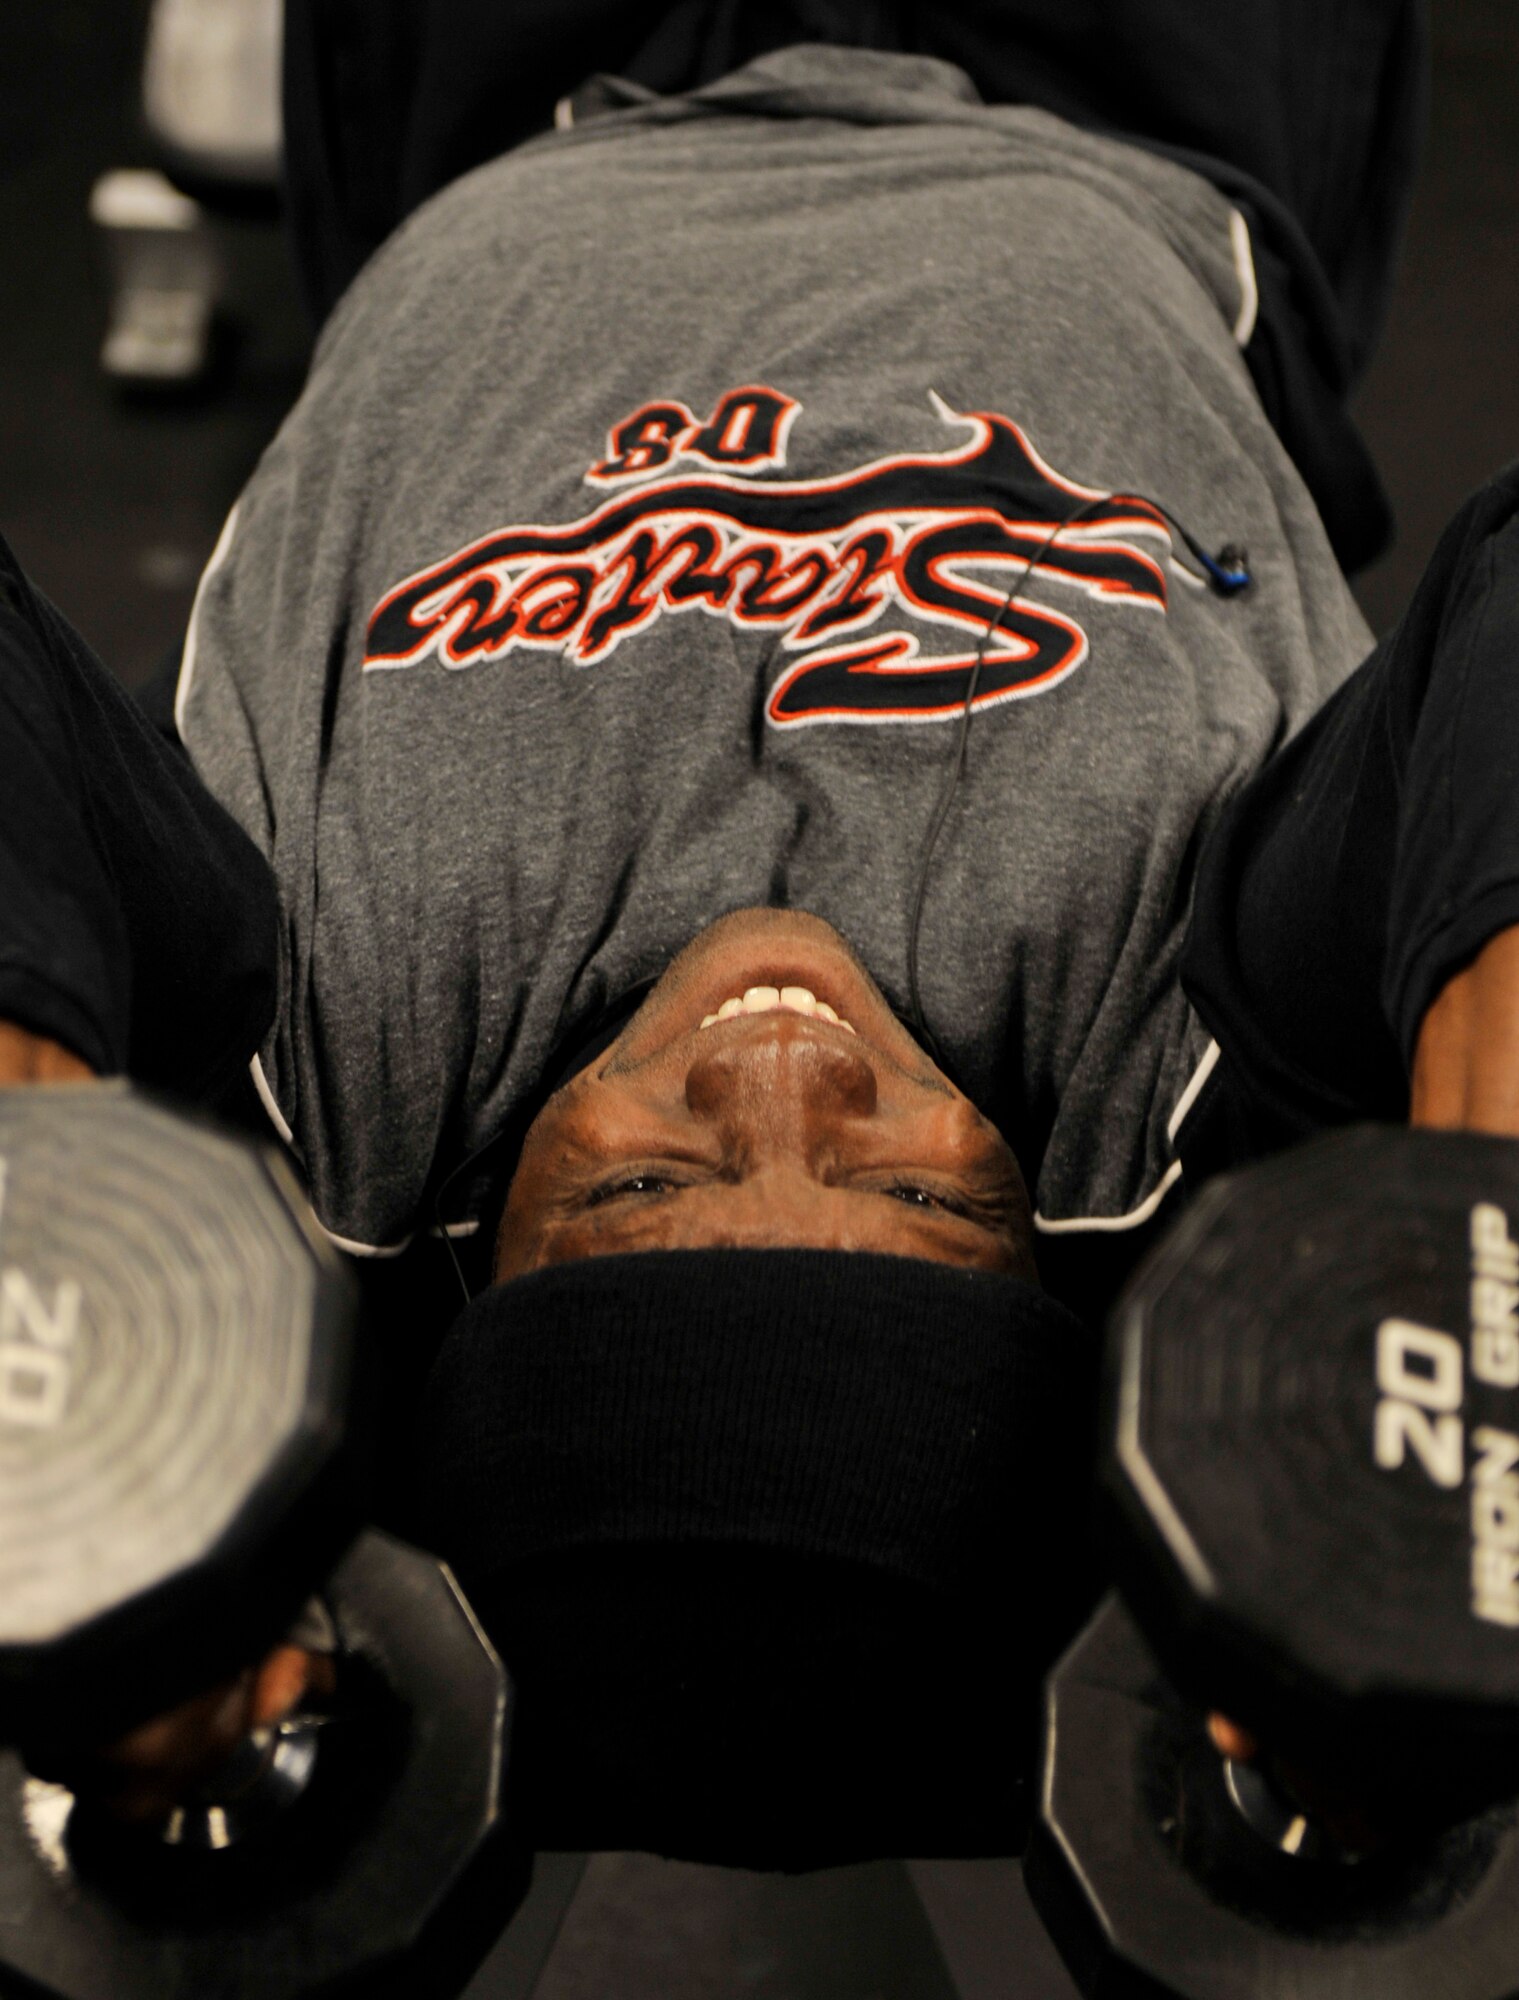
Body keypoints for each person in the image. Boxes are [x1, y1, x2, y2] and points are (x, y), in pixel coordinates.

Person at [7, 0, 1517, 1866]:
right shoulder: (1161, 1083)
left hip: (523, 95)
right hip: (1114, 99)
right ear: (1044, 1255)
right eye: (932, 1204)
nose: (785, 1074)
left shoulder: (329, 1095)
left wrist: (44, 1278)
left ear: (481, 1266)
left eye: (642, 1192)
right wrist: (1481, 1243)